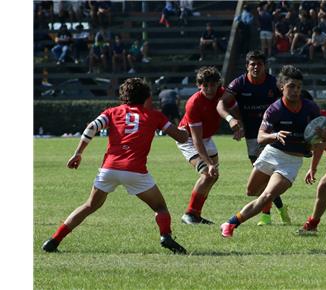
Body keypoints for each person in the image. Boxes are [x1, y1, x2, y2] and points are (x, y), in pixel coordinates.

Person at [42, 77, 189, 254]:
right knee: (160, 207)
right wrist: (186, 130)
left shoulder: (113, 112)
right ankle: (166, 236)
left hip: (109, 169)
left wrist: (78, 153)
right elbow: (181, 137)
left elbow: (91, 127)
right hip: (135, 170)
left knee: (89, 205)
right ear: (146, 97)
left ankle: (54, 240)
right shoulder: (154, 115)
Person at [220, 65, 323, 238]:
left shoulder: (311, 108)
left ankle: (230, 224)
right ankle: (276, 207)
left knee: (267, 195)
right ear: (282, 86)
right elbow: (260, 137)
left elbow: (322, 138)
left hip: (291, 161)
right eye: (291, 86)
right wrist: (275, 135)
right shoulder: (274, 110)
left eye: (298, 87)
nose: (296, 91)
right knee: (251, 192)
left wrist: (314, 162)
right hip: (271, 153)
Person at [216, 50, 290, 226]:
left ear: (265, 66)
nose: (256, 67)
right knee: (263, 179)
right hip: (252, 136)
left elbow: (288, 101)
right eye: (252, 64)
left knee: (265, 177)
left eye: (259, 64)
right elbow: (221, 104)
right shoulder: (239, 83)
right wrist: (231, 119)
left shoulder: (274, 83)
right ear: (247, 66)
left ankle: (265, 216)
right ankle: (280, 208)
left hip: (272, 133)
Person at [176, 67, 224, 225]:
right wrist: (209, 164)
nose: (210, 89)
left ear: (218, 84)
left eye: (213, 85)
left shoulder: (221, 93)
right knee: (207, 173)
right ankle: (189, 214)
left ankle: (195, 214)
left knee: (213, 175)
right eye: (206, 85)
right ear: (199, 85)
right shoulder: (193, 103)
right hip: (188, 138)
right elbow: (196, 139)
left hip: (206, 138)